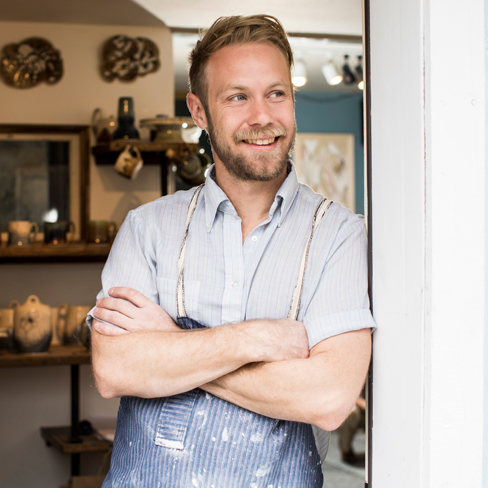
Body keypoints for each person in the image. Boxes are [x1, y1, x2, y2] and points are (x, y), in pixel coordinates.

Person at [89, 14, 375, 487]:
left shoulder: (340, 235)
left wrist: (172, 349)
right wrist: (256, 340)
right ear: (199, 112)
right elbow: (115, 368)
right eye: (238, 96)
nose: (262, 116)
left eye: (276, 93)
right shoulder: (148, 229)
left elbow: (328, 400)